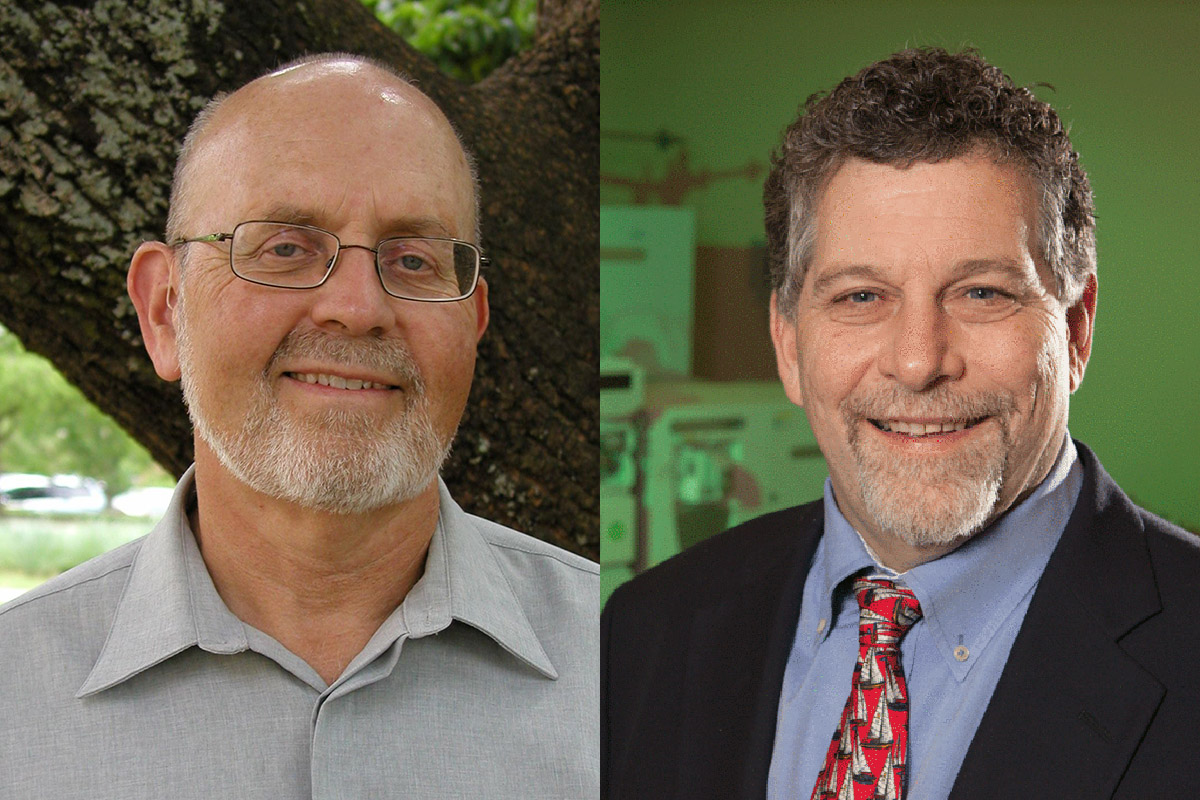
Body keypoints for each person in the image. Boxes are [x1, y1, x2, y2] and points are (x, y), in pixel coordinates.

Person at [602, 47, 1200, 799]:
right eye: (860, 297)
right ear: (788, 344)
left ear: (1075, 331)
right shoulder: (645, 634)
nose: (918, 362)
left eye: (982, 293)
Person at [0, 53, 598, 798]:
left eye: (413, 260)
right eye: (284, 249)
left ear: (472, 324)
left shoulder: (640, 667)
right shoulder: (12, 700)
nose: (357, 307)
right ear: (164, 311)